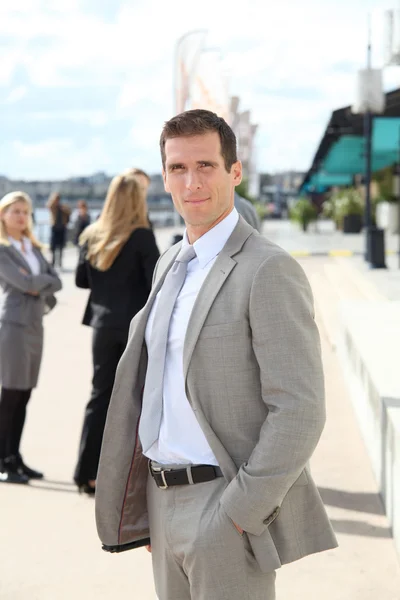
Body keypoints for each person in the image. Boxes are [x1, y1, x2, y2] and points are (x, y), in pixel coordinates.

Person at [95, 110, 337, 599]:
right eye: (178, 168)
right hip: (162, 504)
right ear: (164, 176)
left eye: (206, 165)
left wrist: (239, 513)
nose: (192, 182)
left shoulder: (267, 269)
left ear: (235, 172)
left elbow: (300, 410)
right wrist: (148, 505)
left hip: (224, 506)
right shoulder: (170, 263)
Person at [73, 171, 160, 496]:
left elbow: (82, 281)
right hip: (134, 327)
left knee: (100, 396)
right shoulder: (141, 235)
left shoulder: (93, 233)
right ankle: (130, 477)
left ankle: (86, 473)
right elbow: (156, 281)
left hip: (102, 326)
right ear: (137, 199)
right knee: (137, 399)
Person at [0, 191, 62, 484]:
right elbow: (22, 282)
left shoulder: (32, 248)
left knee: (24, 394)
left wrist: (37, 286)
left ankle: (15, 455)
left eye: (26, 211)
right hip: (12, 327)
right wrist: (38, 284)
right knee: (10, 395)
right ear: (3, 215)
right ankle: (3, 459)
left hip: (36, 325)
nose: (22, 217)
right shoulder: (3, 249)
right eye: (15, 211)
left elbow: (57, 281)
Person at [46, 192, 71, 269]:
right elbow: (48, 206)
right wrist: (53, 198)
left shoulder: (63, 207)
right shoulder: (53, 207)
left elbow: (69, 212)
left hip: (62, 228)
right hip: (54, 228)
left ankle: (60, 263)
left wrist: (64, 209)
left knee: (61, 247)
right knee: (53, 247)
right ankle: (53, 263)